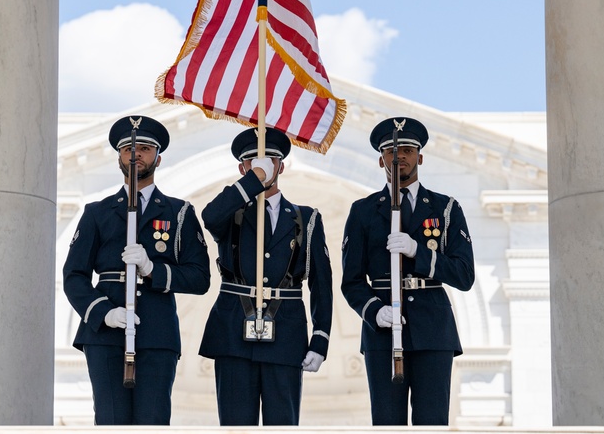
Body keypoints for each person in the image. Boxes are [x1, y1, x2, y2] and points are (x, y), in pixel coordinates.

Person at [62, 115, 210, 426]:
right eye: (128, 149)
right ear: (119, 156)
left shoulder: (178, 213)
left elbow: (199, 277)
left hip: (157, 332)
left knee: (152, 421)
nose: (135, 155)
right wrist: (103, 312)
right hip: (105, 333)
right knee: (110, 420)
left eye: (144, 148)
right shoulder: (97, 212)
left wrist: (152, 268)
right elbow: (74, 276)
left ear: (158, 156)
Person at [340, 116, 475, 426]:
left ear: (420, 157)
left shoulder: (445, 209)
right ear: (380, 160)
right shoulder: (363, 210)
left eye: (407, 150)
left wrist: (419, 253)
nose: (398, 156)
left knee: (432, 422)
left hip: (433, 328)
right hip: (384, 331)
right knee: (387, 424)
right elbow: (352, 281)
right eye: (390, 151)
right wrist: (373, 310)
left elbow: (464, 275)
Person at [199, 126, 333, 426]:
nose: (261, 166)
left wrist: (320, 339)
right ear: (241, 167)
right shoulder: (230, 214)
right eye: (252, 162)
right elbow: (209, 217)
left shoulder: (305, 218)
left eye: (269, 161)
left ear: (281, 166)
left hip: (286, 335)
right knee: (235, 427)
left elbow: (321, 284)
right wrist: (253, 182)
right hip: (233, 333)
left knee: (283, 426)